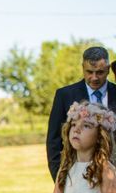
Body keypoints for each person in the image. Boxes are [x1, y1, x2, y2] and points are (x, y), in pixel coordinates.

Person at [46, 46, 116, 181]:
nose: (94, 77)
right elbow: (53, 141)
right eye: (89, 72)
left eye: (100, 72)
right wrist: (60, 178)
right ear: (82, 67)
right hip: (77, 176)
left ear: (108, 69)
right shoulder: (64, 95)